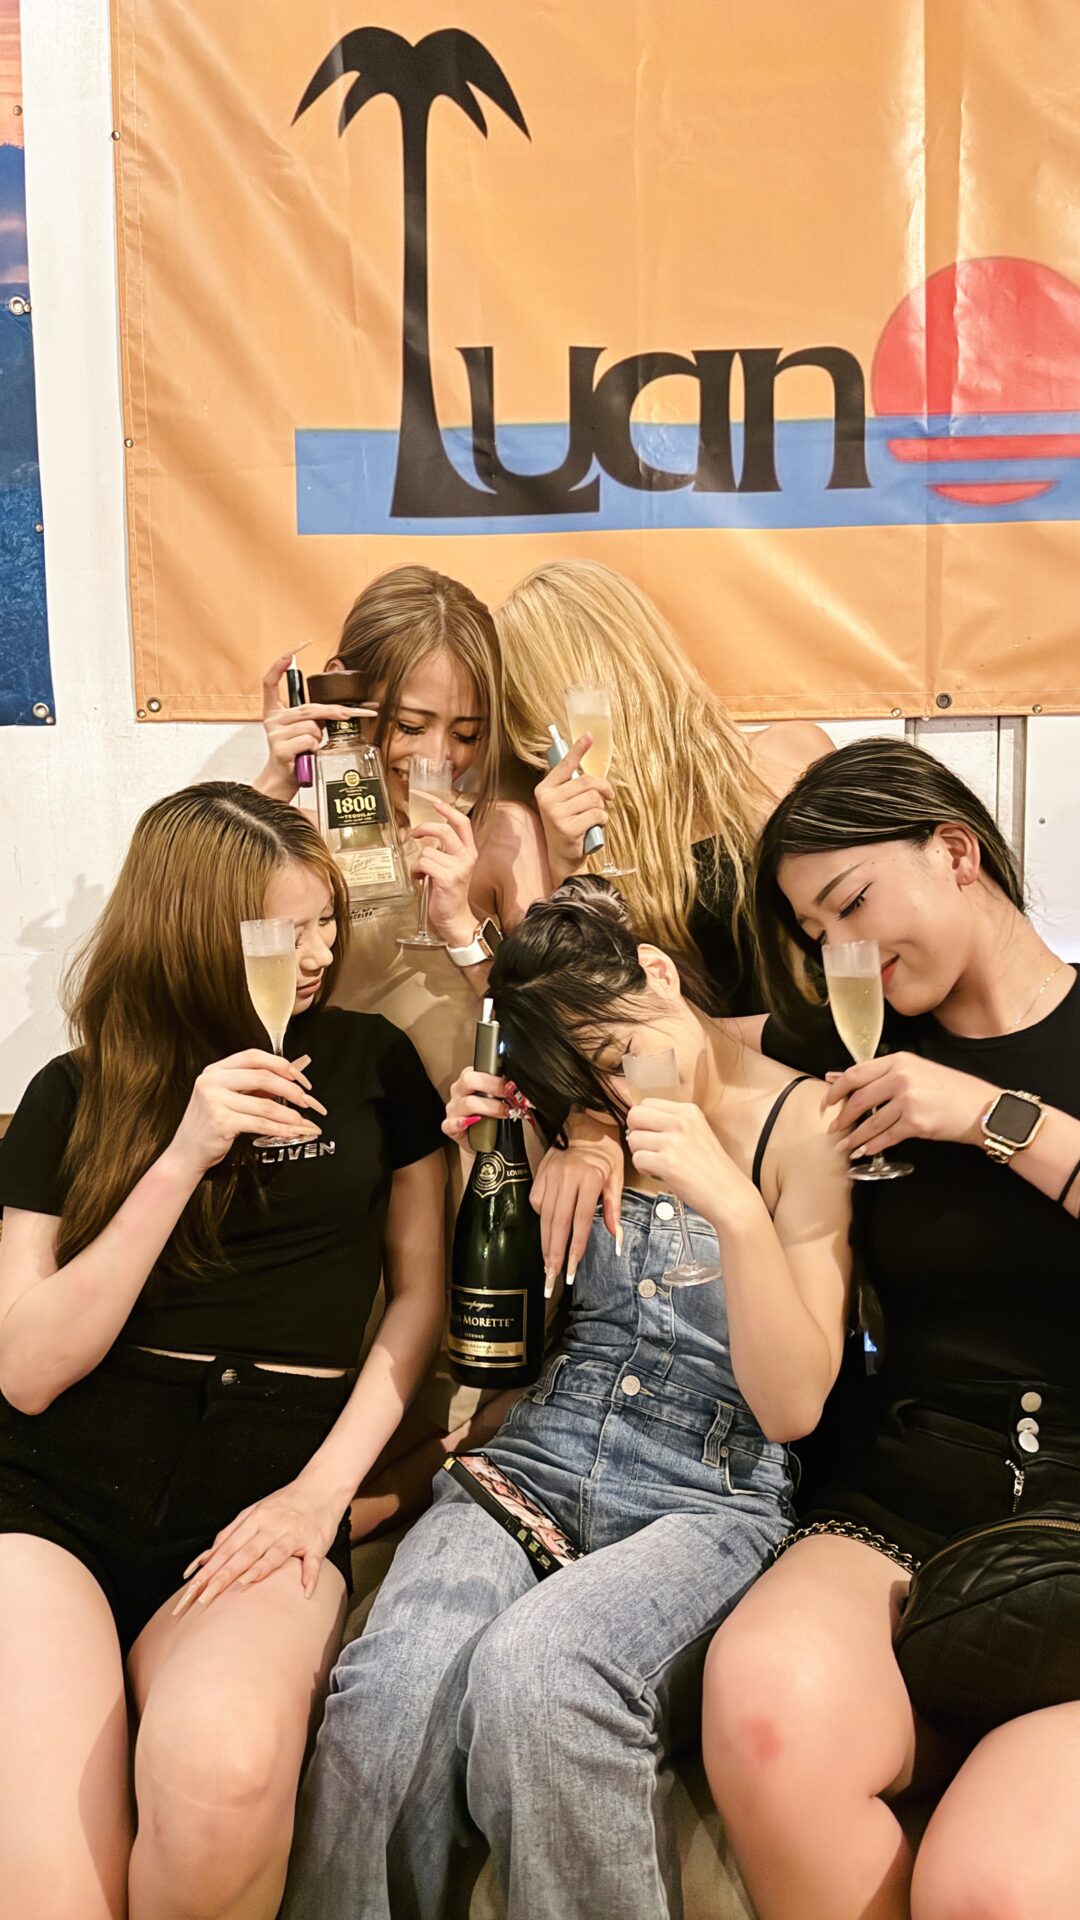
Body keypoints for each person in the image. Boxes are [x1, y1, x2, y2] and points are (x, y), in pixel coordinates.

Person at [281, 877, 851, 1920]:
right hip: (536, 1458)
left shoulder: (803, 1122)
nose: (626, 1091)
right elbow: (508, 1332)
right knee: (388, 1695)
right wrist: (496, 1159)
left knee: (541, 1675)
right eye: (594, 1079)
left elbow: (793, 1408)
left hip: (707, 1494)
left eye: (624, 1050)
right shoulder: (586, 1109)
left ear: (661, 975)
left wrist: (730, 1203)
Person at [0, 783, 447, 1920]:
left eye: (327, 922)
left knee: (224, 1774)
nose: (318, 954)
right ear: (196, 934)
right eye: (285, 932)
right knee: (49, 1883)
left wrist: (318, 1497)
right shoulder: (76, 1091)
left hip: (268, 1484)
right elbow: (27, 1372)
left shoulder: (373, 1063)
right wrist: (182, 1153)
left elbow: (419, 1304)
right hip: (59, 1490)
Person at [699, 739, 1080, 1920]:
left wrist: (992, 1117)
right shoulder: (857, 1046)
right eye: (816, 934)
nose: (840, 956)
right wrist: (586, 1123)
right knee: (763, 1714)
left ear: (955, 852)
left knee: (992, 1888)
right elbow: (672, 1046)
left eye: (851, 903)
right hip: (903, 1499)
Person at [495, 557, 833, 1012]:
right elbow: (579, 1012)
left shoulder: (791, 756)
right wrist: (564, 869)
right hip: (734, 1051)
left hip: (818, 1044)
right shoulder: (556, 834)